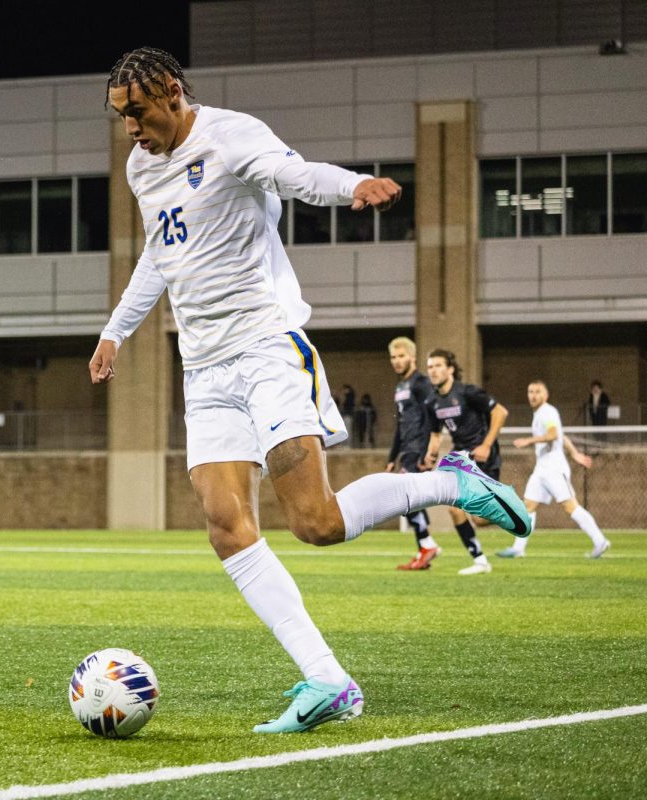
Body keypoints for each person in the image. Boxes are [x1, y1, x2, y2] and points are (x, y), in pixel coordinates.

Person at [91, 48, 531, 734]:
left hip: (267, 347)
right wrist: (116, 330)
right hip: (204, 370)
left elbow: (294, 175)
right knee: (224, 524)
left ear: (173, 93)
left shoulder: (232, 136)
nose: (130, 131)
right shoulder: (141, 166)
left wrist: (351, 185)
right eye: (121, 119)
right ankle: (328, 681)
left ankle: (449, 483)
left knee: (316, 524)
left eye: (138, 114)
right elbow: (160, 251)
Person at [421, 349, 514, 575]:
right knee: (454, 509)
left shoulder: (468, 392)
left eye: (438, 365)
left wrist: (486, 445)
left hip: (483, 455)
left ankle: (510, 508)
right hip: (461, 456)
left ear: (450, 369)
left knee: (480, 519)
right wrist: (430, 456)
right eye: (430, 366)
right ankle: (480, 560)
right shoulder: (432, 401)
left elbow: (500, 412)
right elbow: (436, 434)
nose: (433, 370)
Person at [499, 380, 610, 559]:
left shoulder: (547, 411)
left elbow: (553, 434)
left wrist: (529, 441)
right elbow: (561, 434)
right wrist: (575, 453)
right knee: (528, 505)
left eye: (537, 392)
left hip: (554, 468)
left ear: (546, 395)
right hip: (542, 468)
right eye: (530, 392)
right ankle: (518, 548)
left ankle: (600, 541)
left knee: (570, 506)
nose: (533, 395)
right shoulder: (540, 414)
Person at [384, 337, 441, 570]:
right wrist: (391, 457)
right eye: (393, 357)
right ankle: (424, 548)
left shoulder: (421, 383)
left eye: (401, 356)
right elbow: (400, 425)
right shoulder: (400, 387)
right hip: (406, 449)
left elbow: (431, 417)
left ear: (412, 357)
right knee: (409, 498)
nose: (397, 361)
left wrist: (428, 451)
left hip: (418, 448)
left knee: (405, 497)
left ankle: (427, 545)